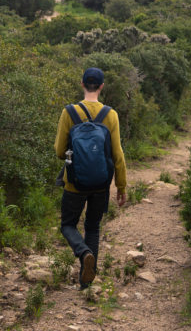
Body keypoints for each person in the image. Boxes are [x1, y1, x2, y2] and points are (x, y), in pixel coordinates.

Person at [54, 67, 127, 289]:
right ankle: (87, 282)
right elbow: (118, 154)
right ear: (102, 87)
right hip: (101, 184)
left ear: (82, 84)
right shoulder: (110, 114)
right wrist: (121, 186)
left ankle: (83, 252)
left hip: (74, 182)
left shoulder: (69, 112)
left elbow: (59, 151)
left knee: (68, 225)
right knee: (93, 227)